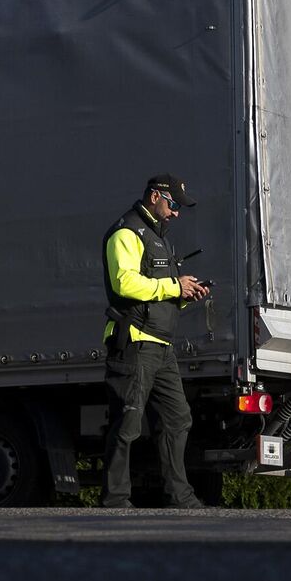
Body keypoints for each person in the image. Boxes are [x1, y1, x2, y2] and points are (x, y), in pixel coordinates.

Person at [101, 174, 212, 509]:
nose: (176, 213)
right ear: (154, 196)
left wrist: (185, 294)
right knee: (128, 421)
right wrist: (173, 287)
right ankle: (115, 499)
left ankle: (179, 496)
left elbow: (157, 290)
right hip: (134, 342)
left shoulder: (159, 237)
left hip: (161, 346)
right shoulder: (126, 232)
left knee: (178, 418)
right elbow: (125, 284)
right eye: (173, 204)